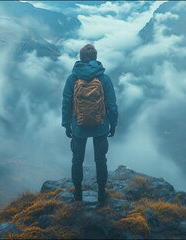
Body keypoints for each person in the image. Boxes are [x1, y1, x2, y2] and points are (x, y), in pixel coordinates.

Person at [61, 44, 118, 202]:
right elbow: (112, 105)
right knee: (101, 160)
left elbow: (66, 103)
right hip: (100, 126)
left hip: (78, 126)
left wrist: (66, 124)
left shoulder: (72, 79)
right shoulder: (104, 78)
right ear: (96, 58)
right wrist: (113, 124)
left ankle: (78, 193)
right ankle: (101, 193)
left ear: (80, 58)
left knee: (77, 160)